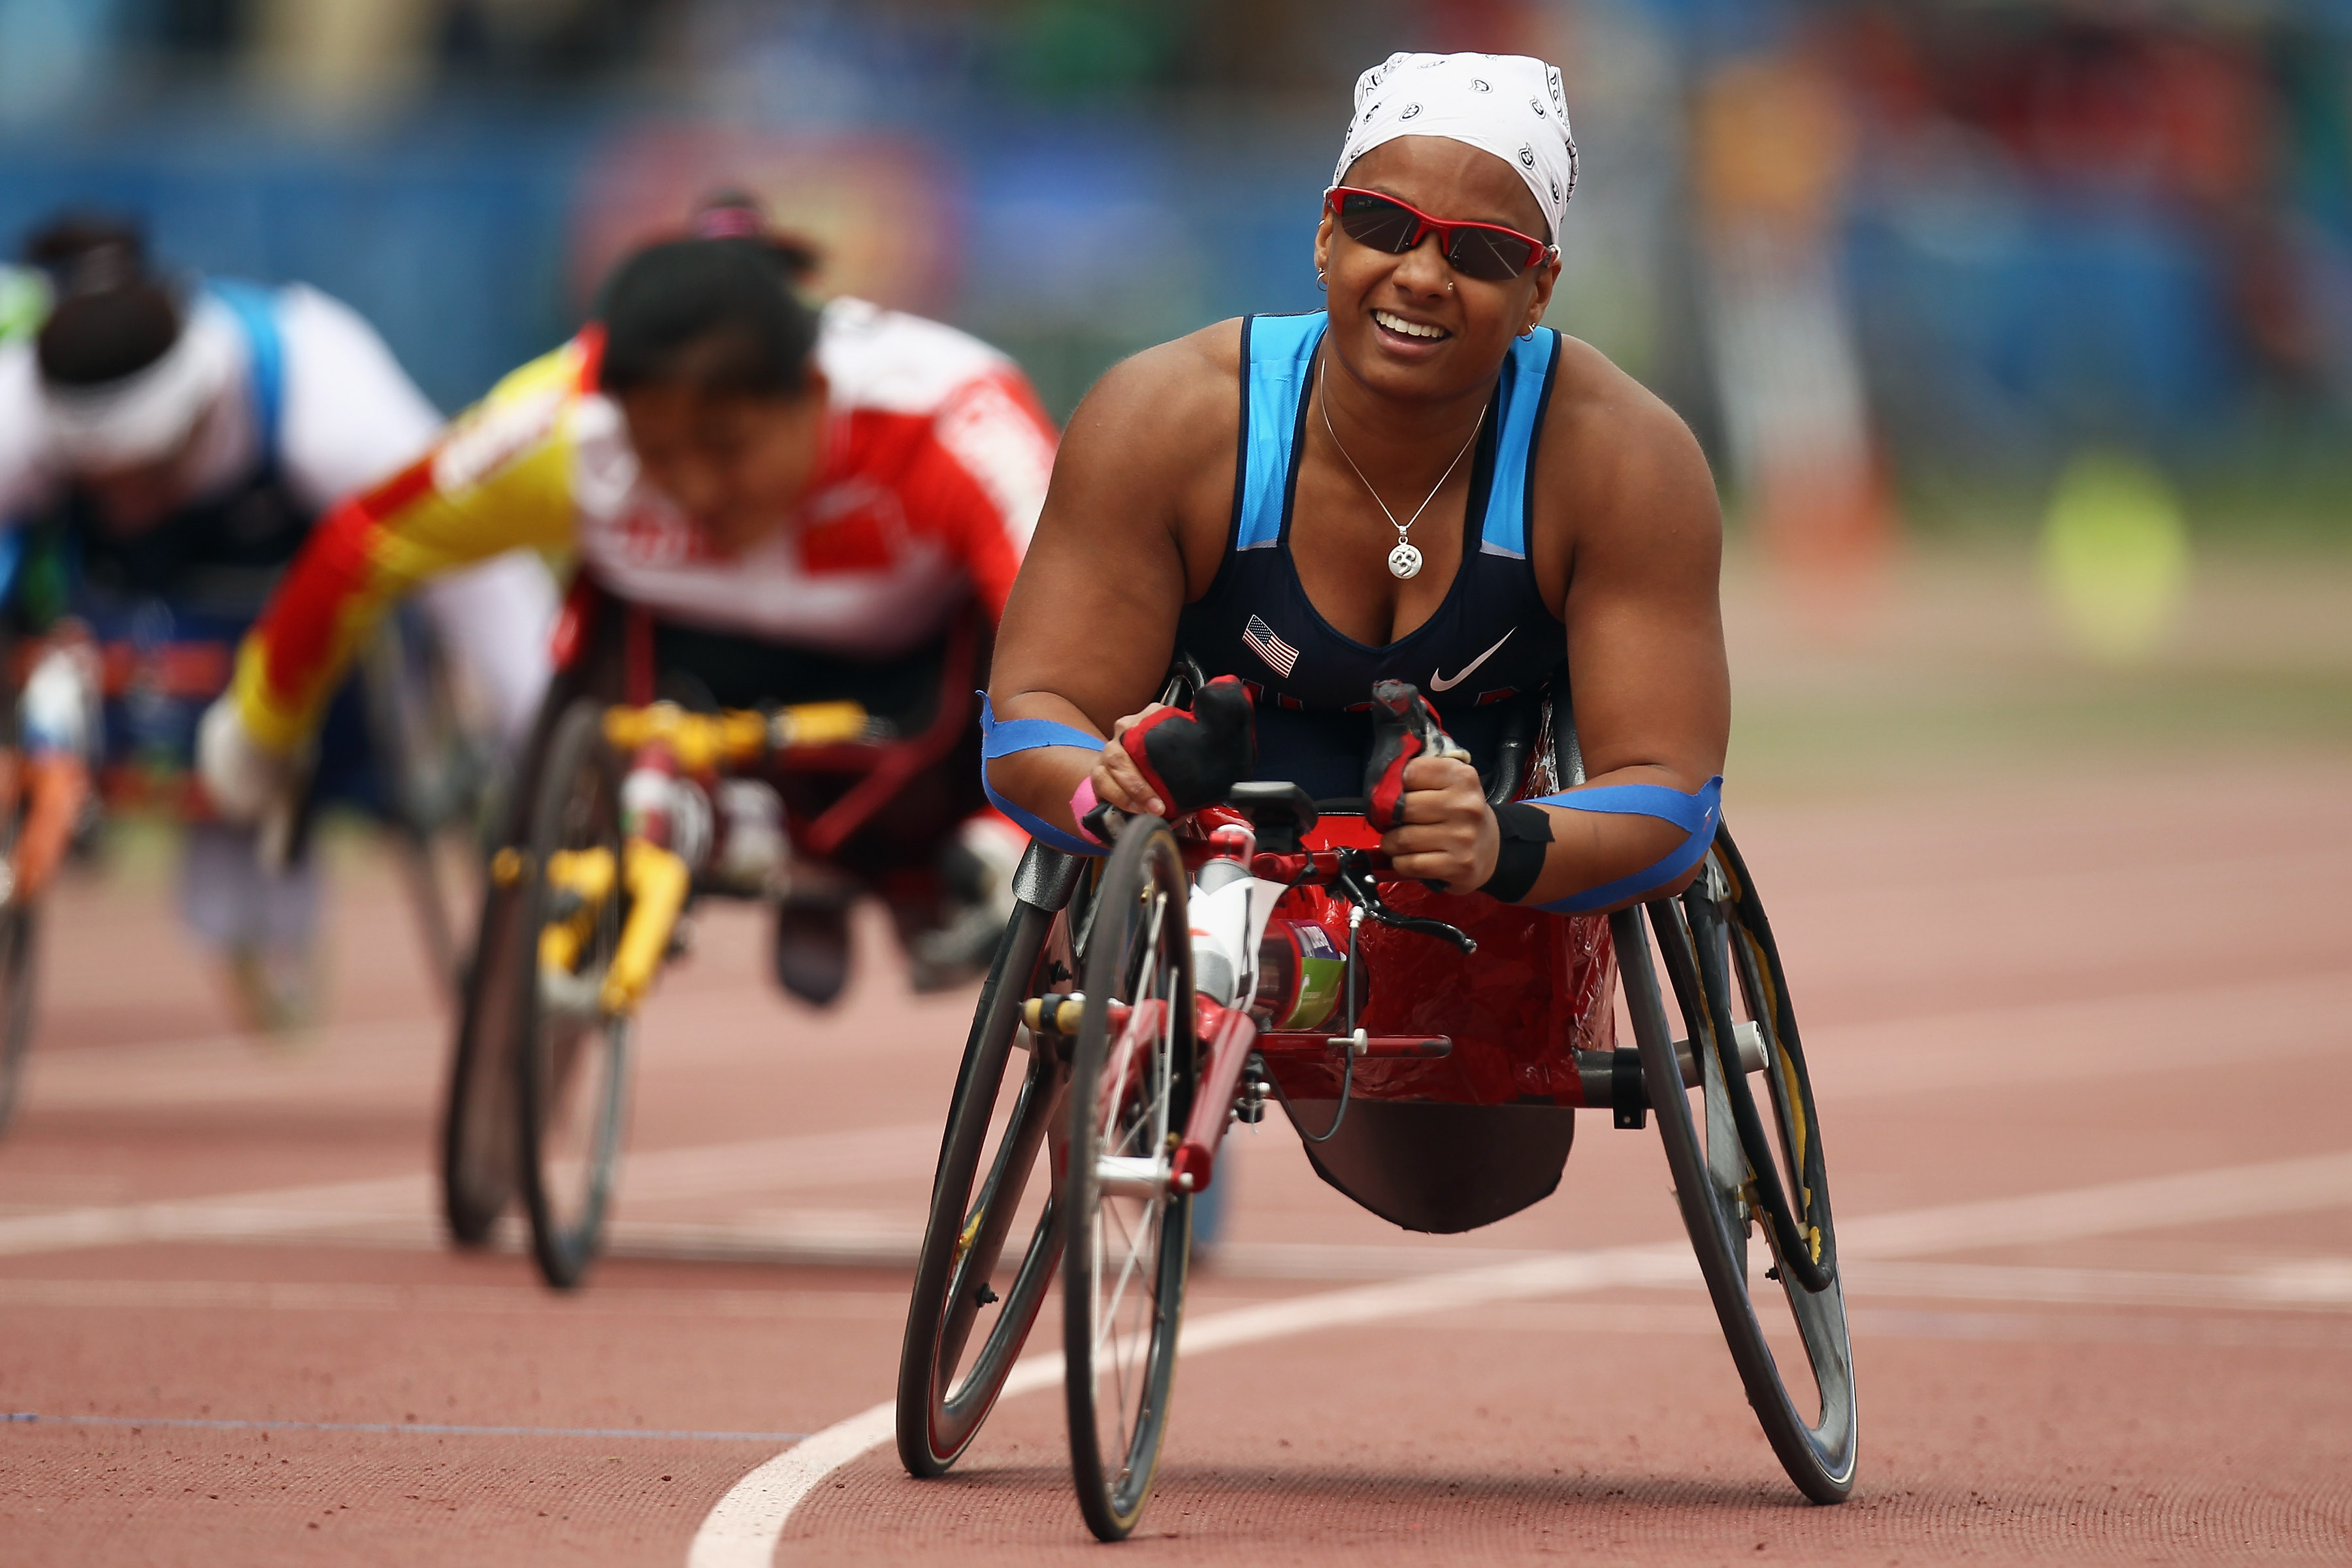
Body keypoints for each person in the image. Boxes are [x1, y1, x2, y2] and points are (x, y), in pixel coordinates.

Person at [199, 199, 1059, 1003]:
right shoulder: (564, 424)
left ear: (816, 399)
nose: (692, 488)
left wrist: (1015, 830)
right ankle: (776, 836)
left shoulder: (950, 418)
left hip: (926, 708)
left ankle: (870, 853)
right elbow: (364, 545)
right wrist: (262, 730)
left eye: (725, 448)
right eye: (657, 452)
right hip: (683, 684)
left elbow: (1068, 622)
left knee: (1037, 623)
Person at [982, 51, 1727, 923]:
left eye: (1485, 251)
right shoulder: (1167, 421)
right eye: (1383, 223)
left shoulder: (1624, 461)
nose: (1419, 275)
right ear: (1327, 237)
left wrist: (1498, 842)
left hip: (1491, 886)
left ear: (1538, 291)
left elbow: (1672, 799)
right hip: (1203, 866)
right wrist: (1106, 792)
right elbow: (1031, 719)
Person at [0, 212, 556, 1029]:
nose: (130, 499)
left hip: (306, 625)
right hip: (120, 626)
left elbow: (478, 571)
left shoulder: (326, 394)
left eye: (147, 472)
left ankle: (287, 855)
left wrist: (543, 741)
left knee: (423, 577)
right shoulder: (22, 409)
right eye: (103, 478)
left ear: (196, 413)